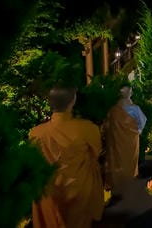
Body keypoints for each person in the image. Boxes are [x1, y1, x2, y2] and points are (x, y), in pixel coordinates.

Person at [28, 84, 104, 228]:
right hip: (79, 190)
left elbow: (33, 162)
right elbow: (96, 152)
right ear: (72, 101)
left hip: (49, 193)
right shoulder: (87, 128)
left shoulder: (35, 133)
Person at [104, 84, 147, 194]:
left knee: (117, 162)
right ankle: (129, 186)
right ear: (130, 93)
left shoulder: (113, 110)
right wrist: (134, 132)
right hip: (131, 142)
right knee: (130, 163)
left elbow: (107, 127)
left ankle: (117, 186)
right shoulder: (135, 109)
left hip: (116, 142)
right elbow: (142, 124)